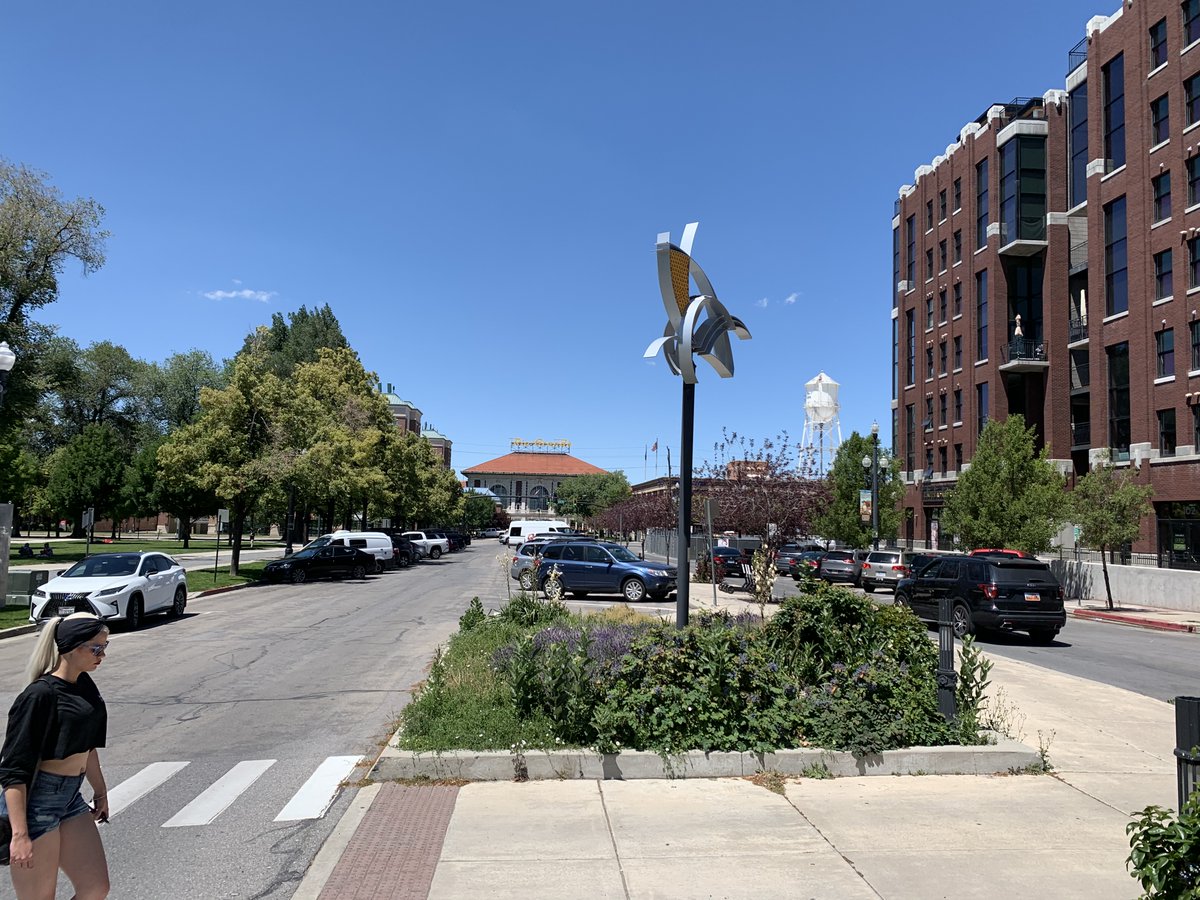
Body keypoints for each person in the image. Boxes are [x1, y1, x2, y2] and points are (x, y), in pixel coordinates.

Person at [0, 613, 111, 899]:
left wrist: (100, 790)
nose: (103, 655)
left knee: (96, 888)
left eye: (105, 646)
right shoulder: (39, 696)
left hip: (71, 797)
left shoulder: (84, 685)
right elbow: (13, 770)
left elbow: (87, 746)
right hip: (38, 802)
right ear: (72, 647)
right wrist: (19, 834)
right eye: (96, 648)